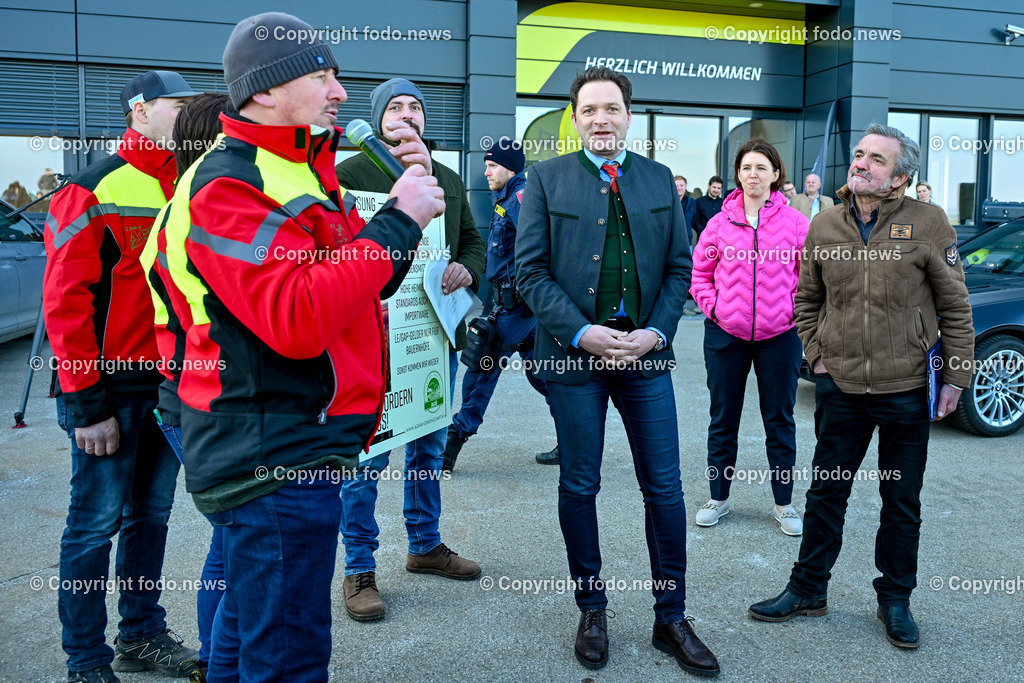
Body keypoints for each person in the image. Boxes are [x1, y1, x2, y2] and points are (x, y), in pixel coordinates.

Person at [164, 13, 443, 680]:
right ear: (264, 91)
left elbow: (364, 281)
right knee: (289, 655)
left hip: (293, 444)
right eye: (322, 76)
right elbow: (298, 315)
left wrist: (402, 218)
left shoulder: (301, 170)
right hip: (273, 456)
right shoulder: (229, 184)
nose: (340, 92)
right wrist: (399, 217)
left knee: (245, 632)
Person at [516, 66, 719, 676]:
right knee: (581, 486)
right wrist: (583, 333)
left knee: (666, 489)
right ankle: (592, 609)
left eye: (611, 109)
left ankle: (671, 617)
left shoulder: (658, 179)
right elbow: (530, 273)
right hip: (574, 359)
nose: (601, 119)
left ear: (628, 116)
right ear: (575, 119)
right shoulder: (546, 179)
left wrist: (658, 332)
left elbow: (680, 268)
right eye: (589, 110)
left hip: (645, 358)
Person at [749, 123, 974, 650]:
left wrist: (956, 378)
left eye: (876, 159)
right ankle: (808, 589)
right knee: (826, 493)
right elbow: (806, 300)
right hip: (841, 388)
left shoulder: (929, 223)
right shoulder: (825, 224)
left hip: (906, 389)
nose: (861, 163)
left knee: (901, 500)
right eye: (859, 153)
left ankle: (894, 599)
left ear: (899, 178)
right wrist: (817, 356)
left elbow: (955, 306)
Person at [43, 69, 200, 683]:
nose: (188, 114)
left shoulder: (191, 183)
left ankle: (141, 635)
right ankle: (85, 661)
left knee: (150, 517)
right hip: (107, 391)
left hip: (166, 388)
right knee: (93, 526)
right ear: (140, 111)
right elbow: (64, 305)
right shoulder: (92, 189)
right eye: (177, 105)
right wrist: (88, 407)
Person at [335, 77, 485, 622]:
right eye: (394, 108)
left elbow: (472, 241)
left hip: (433, 334)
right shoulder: (348, 175)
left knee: (428, 444)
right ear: (377, 121)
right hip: (373, 340)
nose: (406, 115)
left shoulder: (447, 177)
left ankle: (424, 544)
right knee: (368, 456)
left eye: (414, 107)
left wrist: (468, 268)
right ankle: (359, 567)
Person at [141, 92, 234, 680]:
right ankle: (220, 662)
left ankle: (215, 659)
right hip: (199, 404)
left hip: (191, 402)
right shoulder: (198, 213)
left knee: (231, 542)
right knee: (237, 542)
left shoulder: (185, 206)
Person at [689, 139, 810, 536]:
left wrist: (793, 311)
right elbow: (699, 275)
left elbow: (812, 277)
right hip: (726, 335)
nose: (752, 174)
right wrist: (716, 309)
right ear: (738, 176)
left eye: (761, 167)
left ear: (776, 174)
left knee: (780, 420)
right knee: (723, 418)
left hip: (781, 336)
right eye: (745, 168)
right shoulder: (719, 223)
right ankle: (718, 498)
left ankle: (784, 504)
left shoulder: (796, 224)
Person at [441, 138, 558, 471]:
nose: (486, 172)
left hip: (517, 307)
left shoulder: (521, 198)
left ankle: (450, 446)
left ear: (510, 168)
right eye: (486, 165)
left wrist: (524, 297)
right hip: (515, 306)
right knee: (542, 375)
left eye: (492, 165)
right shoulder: (505, 198)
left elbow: (540, 250)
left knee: (482, 366)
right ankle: (575, 436)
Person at [693, 174, 724, 241]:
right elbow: (695, 221)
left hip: (719, 239)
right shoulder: (699, 202)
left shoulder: (723, 203)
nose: (716, 190)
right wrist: (704, 232)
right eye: (714, 187)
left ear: (721, 189)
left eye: (719, 188)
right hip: (703, 238)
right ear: (709, 186)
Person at [674, 174, 697, 239]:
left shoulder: (691, 202)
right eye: (676, 186)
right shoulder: (669, 203)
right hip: (672, 239)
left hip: (687, 238)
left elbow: (694, 220)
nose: (679, 188)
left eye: (681, 185)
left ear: (685, 186)